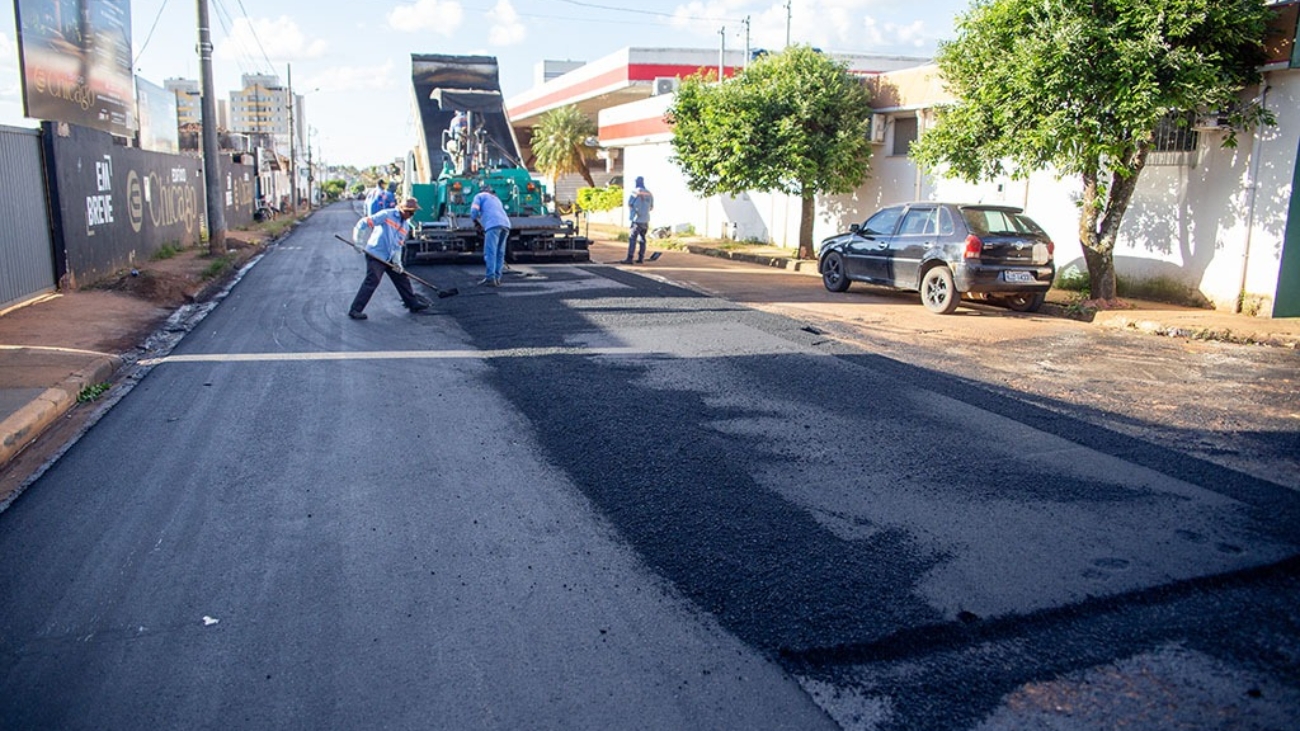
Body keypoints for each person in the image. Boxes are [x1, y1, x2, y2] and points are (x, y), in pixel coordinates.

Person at [347, 197, 430, 319]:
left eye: (413, 212)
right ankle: (355, 310)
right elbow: (363, 223)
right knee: (372, 281)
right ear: (402, 210)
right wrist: (358, 242)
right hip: (376, 255)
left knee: (402, 278)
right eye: (410, 212)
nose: (412, 215)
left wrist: (398, 263)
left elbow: (398, 246)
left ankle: (412, 304)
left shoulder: (405, 226)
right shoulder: (386, 215)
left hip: (390, 257)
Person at [469, 182, 510, 286]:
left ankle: (490, 278)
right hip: (506, 225)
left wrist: (475, 222)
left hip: (493, 225)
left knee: (490, 252)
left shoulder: (479, 196)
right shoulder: (496, 199)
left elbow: (474, 211)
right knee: (500, 253)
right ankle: (497, 278)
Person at [623, 176, 654, 264]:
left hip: (636, 220)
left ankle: (629, 258)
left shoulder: (635, 192)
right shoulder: (649, 193)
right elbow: (651, 207)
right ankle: (641, 258)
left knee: (632, 239)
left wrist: (633, 212)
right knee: (642, 239)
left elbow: (629, 204)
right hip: (645, 220)